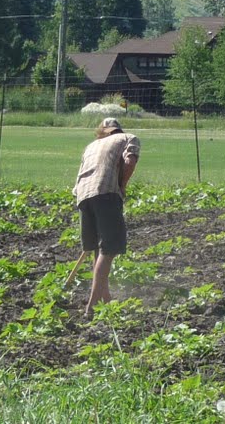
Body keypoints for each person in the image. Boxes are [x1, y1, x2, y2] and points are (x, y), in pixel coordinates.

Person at [71, 116, 140, 318]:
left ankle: (105, 298)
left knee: (96, 249)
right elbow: (130, 161)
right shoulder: (129, 138)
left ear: (103, 131)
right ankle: (91, 307)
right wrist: (122, 186)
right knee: (109, 248)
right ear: (118, 130)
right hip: (106, 192)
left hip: (82, 195)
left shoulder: (91, 145)